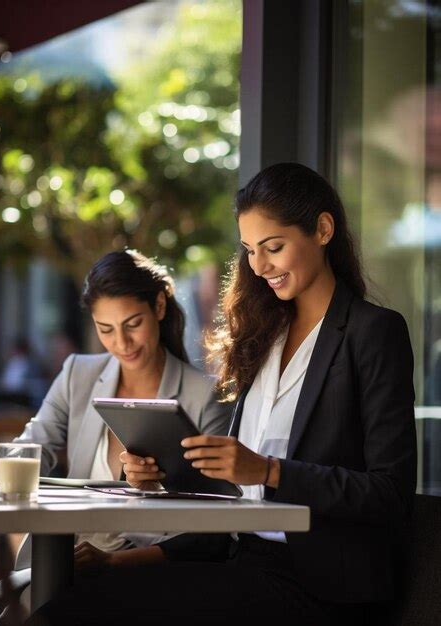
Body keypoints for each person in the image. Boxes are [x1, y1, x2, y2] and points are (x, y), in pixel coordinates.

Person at [29, 162, 417, 625]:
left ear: (323, 229)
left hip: (322, 588)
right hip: (242, 564)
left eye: (274, 247)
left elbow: (390, 493)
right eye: (251, 250)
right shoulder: (263, 336)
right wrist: (160, 483)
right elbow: (230, 505)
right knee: (60, 609)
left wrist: (270, 470)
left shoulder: (373, 333)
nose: (260, 266)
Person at [0, 249, 231, 622]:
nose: (121, 343)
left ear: (159, 306)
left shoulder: (203, 395)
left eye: (133, 323)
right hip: (65, 557)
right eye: (105, 329)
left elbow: (215, 524)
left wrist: (118, 554)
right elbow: (24, 451)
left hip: (145, 565)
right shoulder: (79, 374)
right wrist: (16, 463)